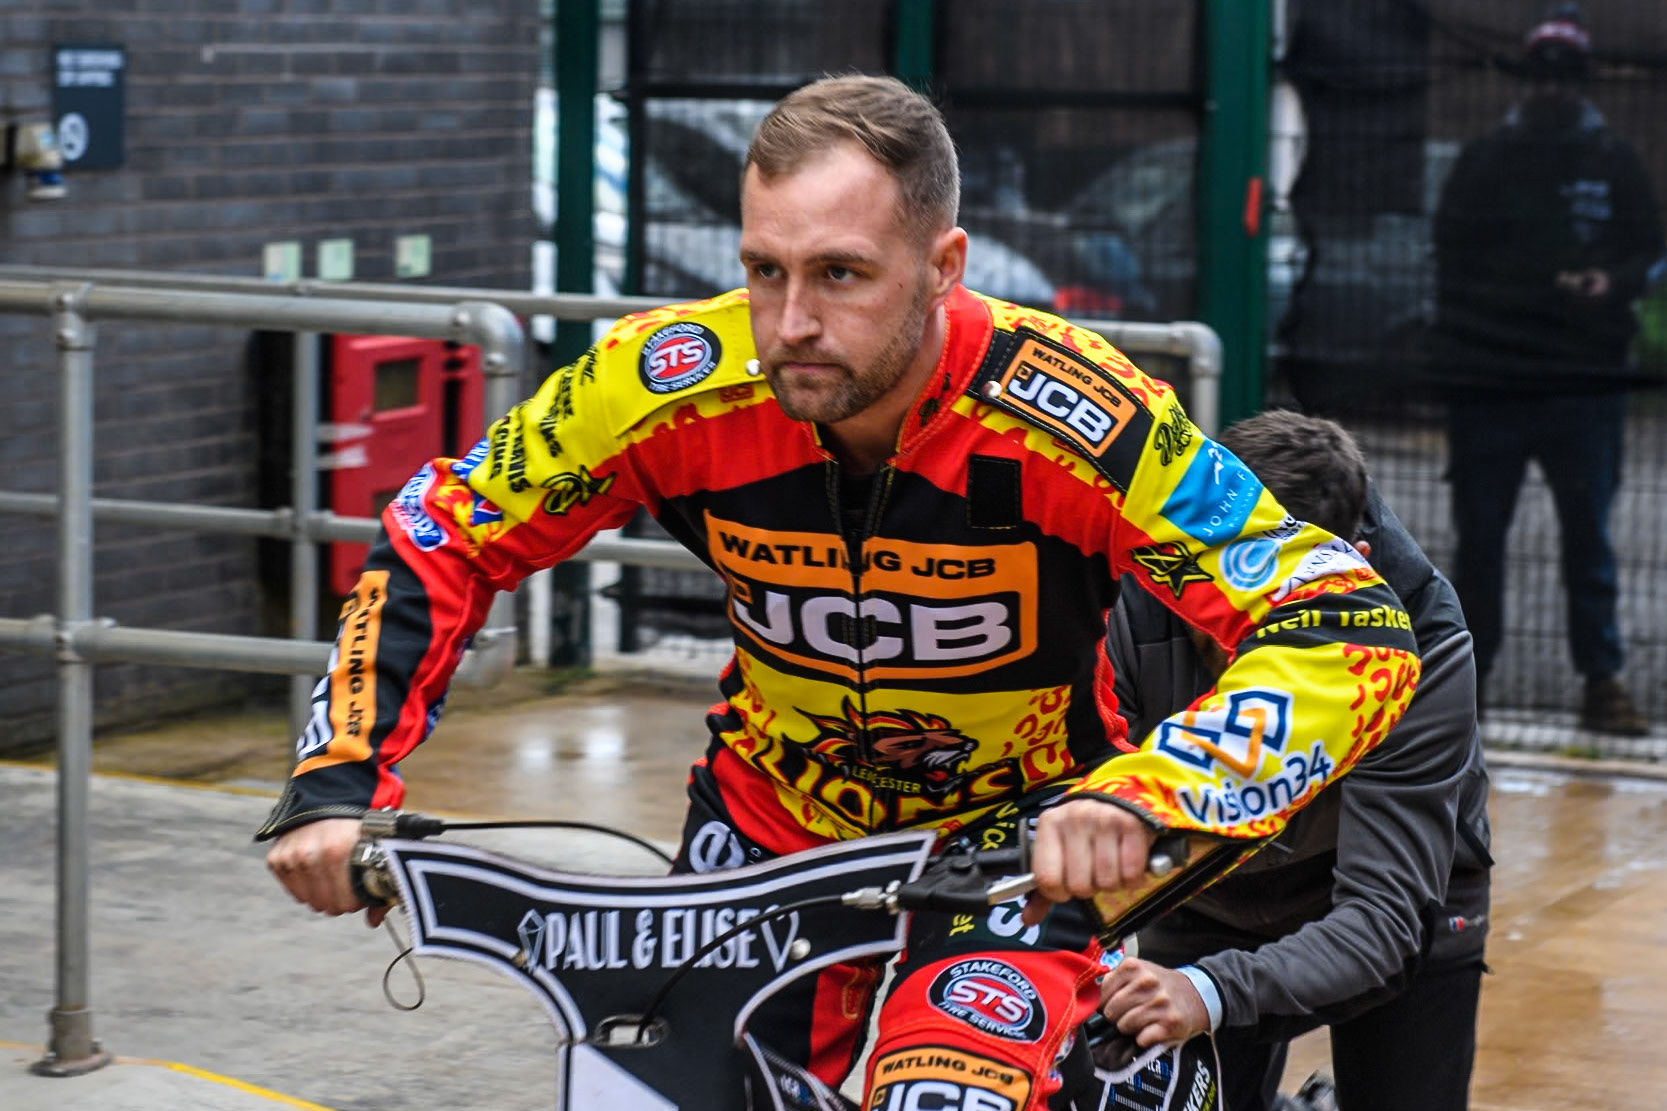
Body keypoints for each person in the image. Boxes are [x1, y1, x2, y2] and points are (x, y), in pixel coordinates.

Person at [258, 76, 1419, 1110]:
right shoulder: (664, 381)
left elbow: (1348, 628)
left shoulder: (1083, 418)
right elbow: (442, 531)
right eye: (763, 270)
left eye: (840, 275)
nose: (791, 323)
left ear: (943, 267)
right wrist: (335, 777)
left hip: (1008, 851)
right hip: (767, 829)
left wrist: (1150, 796)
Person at [1099, 411, 1491, 1111]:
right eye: (1219, 584)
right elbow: (1081, 809)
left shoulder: (1421, 639)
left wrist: (1211, 990)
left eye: (1273, 598)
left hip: (1392, 902)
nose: (1237, 626)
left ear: (1355, 566)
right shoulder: (1141, 585)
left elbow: (1381, 918)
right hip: (1203, 883)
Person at [1431, 1, 1662, 734]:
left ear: (1582, 83)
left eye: (1565, 78)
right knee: (1480, 540)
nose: (1551, 90)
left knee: (1587, 534)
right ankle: (1469, 683)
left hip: (1584, 382)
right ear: (1523, 81)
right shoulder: (1486, 161)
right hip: (1492, 381)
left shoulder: (1613, 161)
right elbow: (1450, 258)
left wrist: (1609, 283)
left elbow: (1647, 250)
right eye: (1540, 76)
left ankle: (1601, 680)